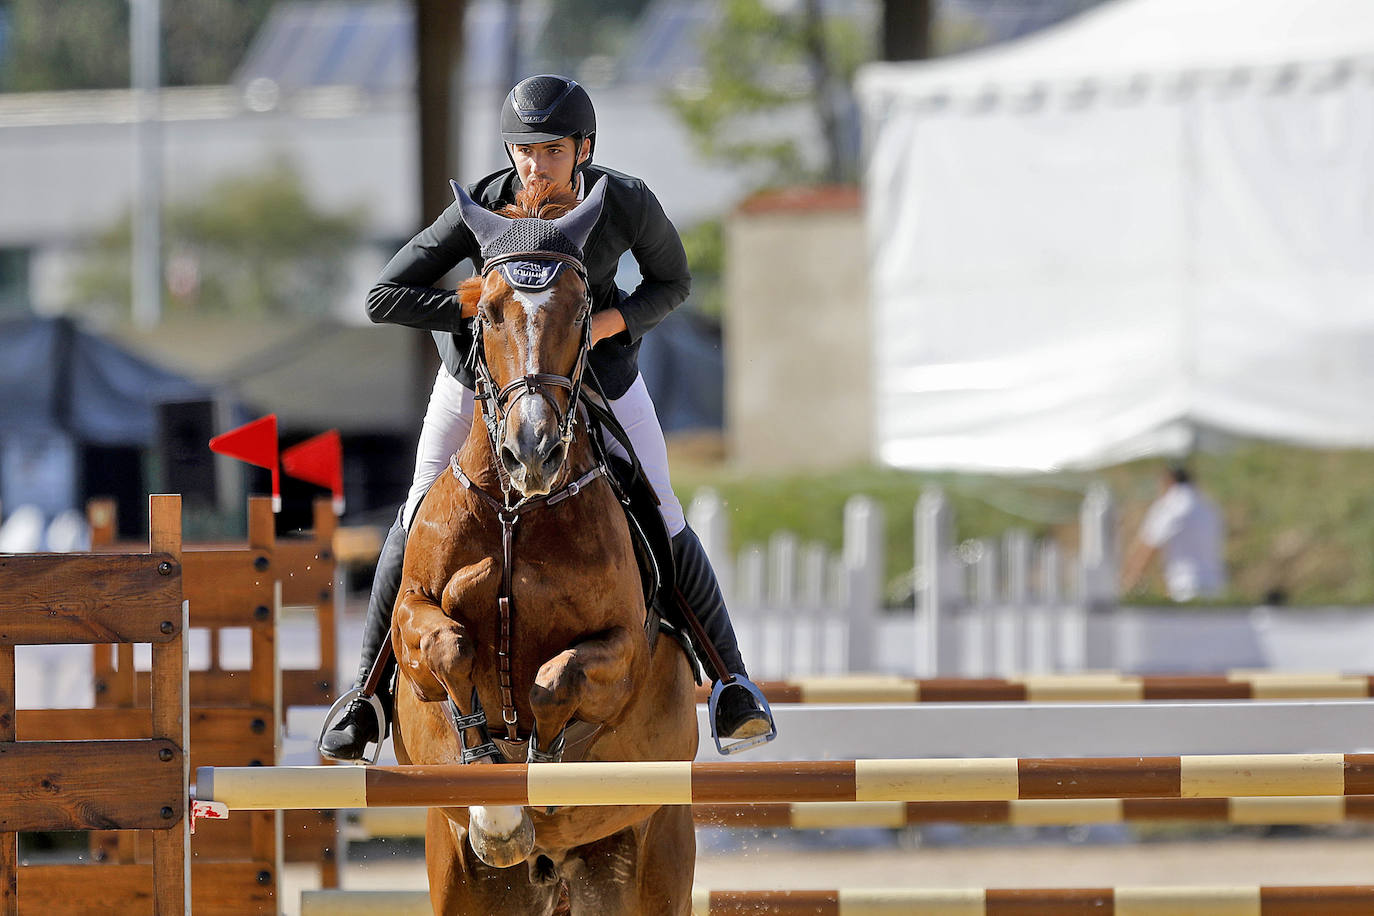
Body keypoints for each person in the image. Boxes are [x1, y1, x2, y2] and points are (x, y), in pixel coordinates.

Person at [319, 74, 773, 761]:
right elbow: (385, 294)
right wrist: (486, 317)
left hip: (597, 375)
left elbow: (673, 282)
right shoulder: (483, 207)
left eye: (553, 150)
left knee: (664, 506)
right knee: (416, 510)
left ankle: (732, 682)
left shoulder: (623, 201)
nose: (536, 165)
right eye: (525, 151)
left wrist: (600, 325)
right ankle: (366, 697)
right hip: (484, 382)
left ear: (583, 148)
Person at [1121, 464, 1227, 602]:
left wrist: (1129, 582)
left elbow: (1148, 547)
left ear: (1168, 480)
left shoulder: (1170, 505)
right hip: (1216, 588)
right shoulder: (1209, 506)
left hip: (1185, 589)